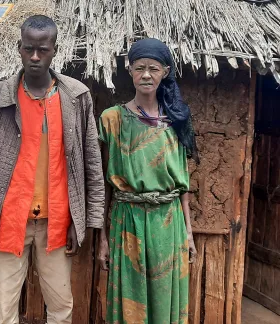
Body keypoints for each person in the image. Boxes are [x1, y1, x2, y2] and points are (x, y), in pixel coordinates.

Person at [0, 15, 105, 324]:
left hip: (57, 222)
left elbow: (91, 164)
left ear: (54, 50)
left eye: (42, 49)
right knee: (3, 311)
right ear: (19, 48)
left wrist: (84, 221)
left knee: (60, 308)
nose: (34, 56)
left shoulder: (76, 97)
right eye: (28, 48)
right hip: (9, 219)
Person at [97, 38, 198, 324]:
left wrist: (189, 233)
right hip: (126, 221)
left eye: (153, 69)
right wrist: (103, 238)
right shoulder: (112, 119)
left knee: (165, 297)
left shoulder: (176, 120)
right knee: (130, 300)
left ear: (165, 71)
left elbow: (183, 185)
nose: (146, 75)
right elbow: (103, 184)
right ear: (129, 70)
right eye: (139, 68)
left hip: (169, 223)